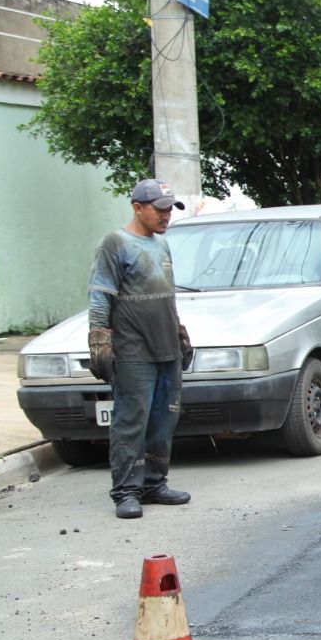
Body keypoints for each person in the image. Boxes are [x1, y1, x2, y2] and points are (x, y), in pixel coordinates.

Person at [88, 179, 195, 519]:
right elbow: (100, 295)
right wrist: (100, 340)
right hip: (134, 350)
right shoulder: (115, 243)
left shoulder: (161, 246)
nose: (166, 216)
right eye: (159, 209)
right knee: (131, 421)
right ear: (137, 207)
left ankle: (154, 484)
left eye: (169, 209)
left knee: (164, 419)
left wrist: (179, 333)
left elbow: (167, 296)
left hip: (166, 349)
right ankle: (126, 492)